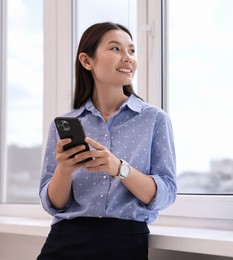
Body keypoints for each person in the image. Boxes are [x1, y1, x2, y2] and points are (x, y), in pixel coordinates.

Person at [37, 22, 176, 260]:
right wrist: (65, 169)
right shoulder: (65, 124)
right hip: (65, 240)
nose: (127, 58)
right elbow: (54, 204)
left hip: (124, 242)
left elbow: (166, 193)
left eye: (131, 51)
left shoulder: (154, 119)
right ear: (87, 61)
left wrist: (120, 168)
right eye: (115, 49)